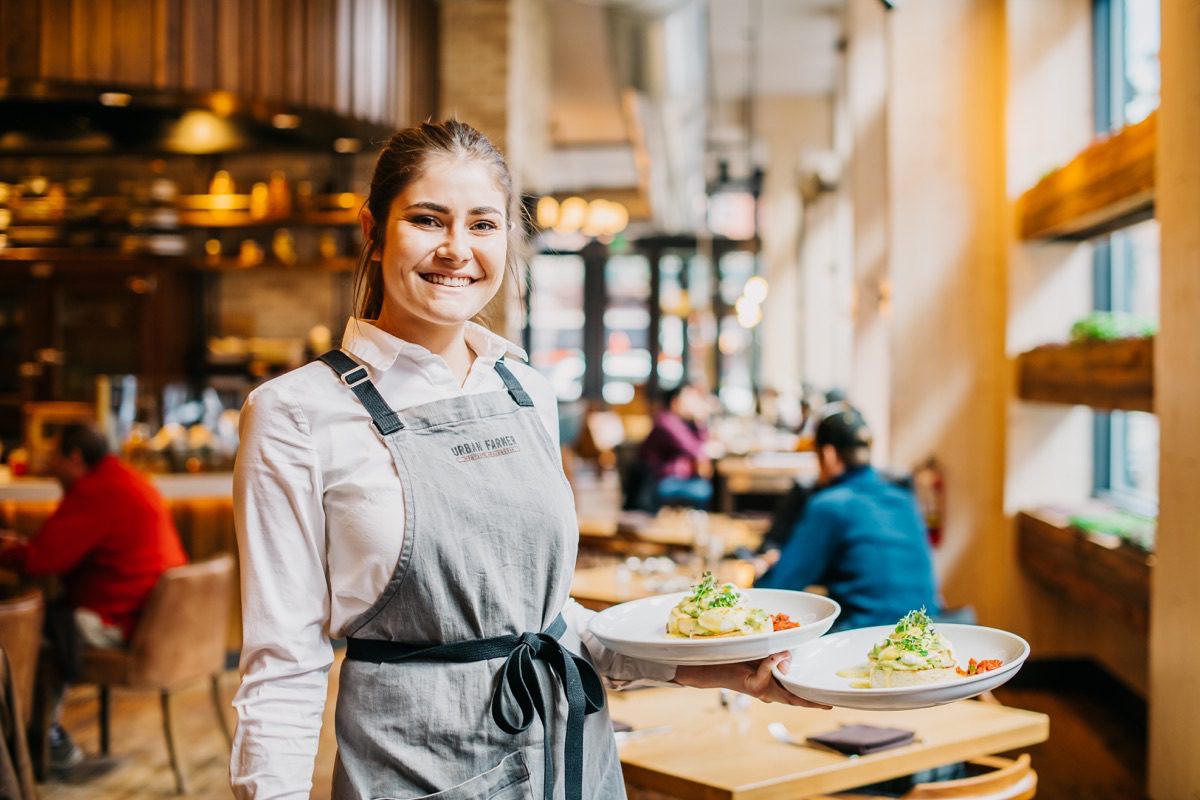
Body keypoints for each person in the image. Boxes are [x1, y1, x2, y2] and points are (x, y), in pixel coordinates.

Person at [229, 120, 822, 800]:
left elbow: (547, 622)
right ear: (373, 229)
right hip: (416, 774)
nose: (456, 249)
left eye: (483, 225)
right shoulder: (296, 413)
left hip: (571, 762)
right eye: (427, 219)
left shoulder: (524, 388)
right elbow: (283, 665)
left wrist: (711, 668)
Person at [0, 424, 188, 770]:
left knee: (25, 632)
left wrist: (8, 549)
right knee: (50, 619)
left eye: (55, 457)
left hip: (121, 620)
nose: (50, 466)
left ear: (75, 458)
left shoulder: (95, 491)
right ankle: (40, 737)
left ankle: (41, 739)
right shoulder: (127, 478)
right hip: (153, 619)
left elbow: (41, 560)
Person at [754, 404, 938, 632]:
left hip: (866, 637)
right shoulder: (903, 498)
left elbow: (777, 590)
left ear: (828, 454)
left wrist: (763, 569)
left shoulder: (830, 505)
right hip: (926, 634)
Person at [635, 383, 714, 510]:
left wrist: (699, 424)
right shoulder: (666, 422)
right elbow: (695, 450)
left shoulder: (679, 422)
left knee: (704, 485)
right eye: (689, 400)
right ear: (675, 402)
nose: (693, 405)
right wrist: (700, 419)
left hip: (675, 478)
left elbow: (700, 446)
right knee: (703, 489)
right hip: (662, 480)